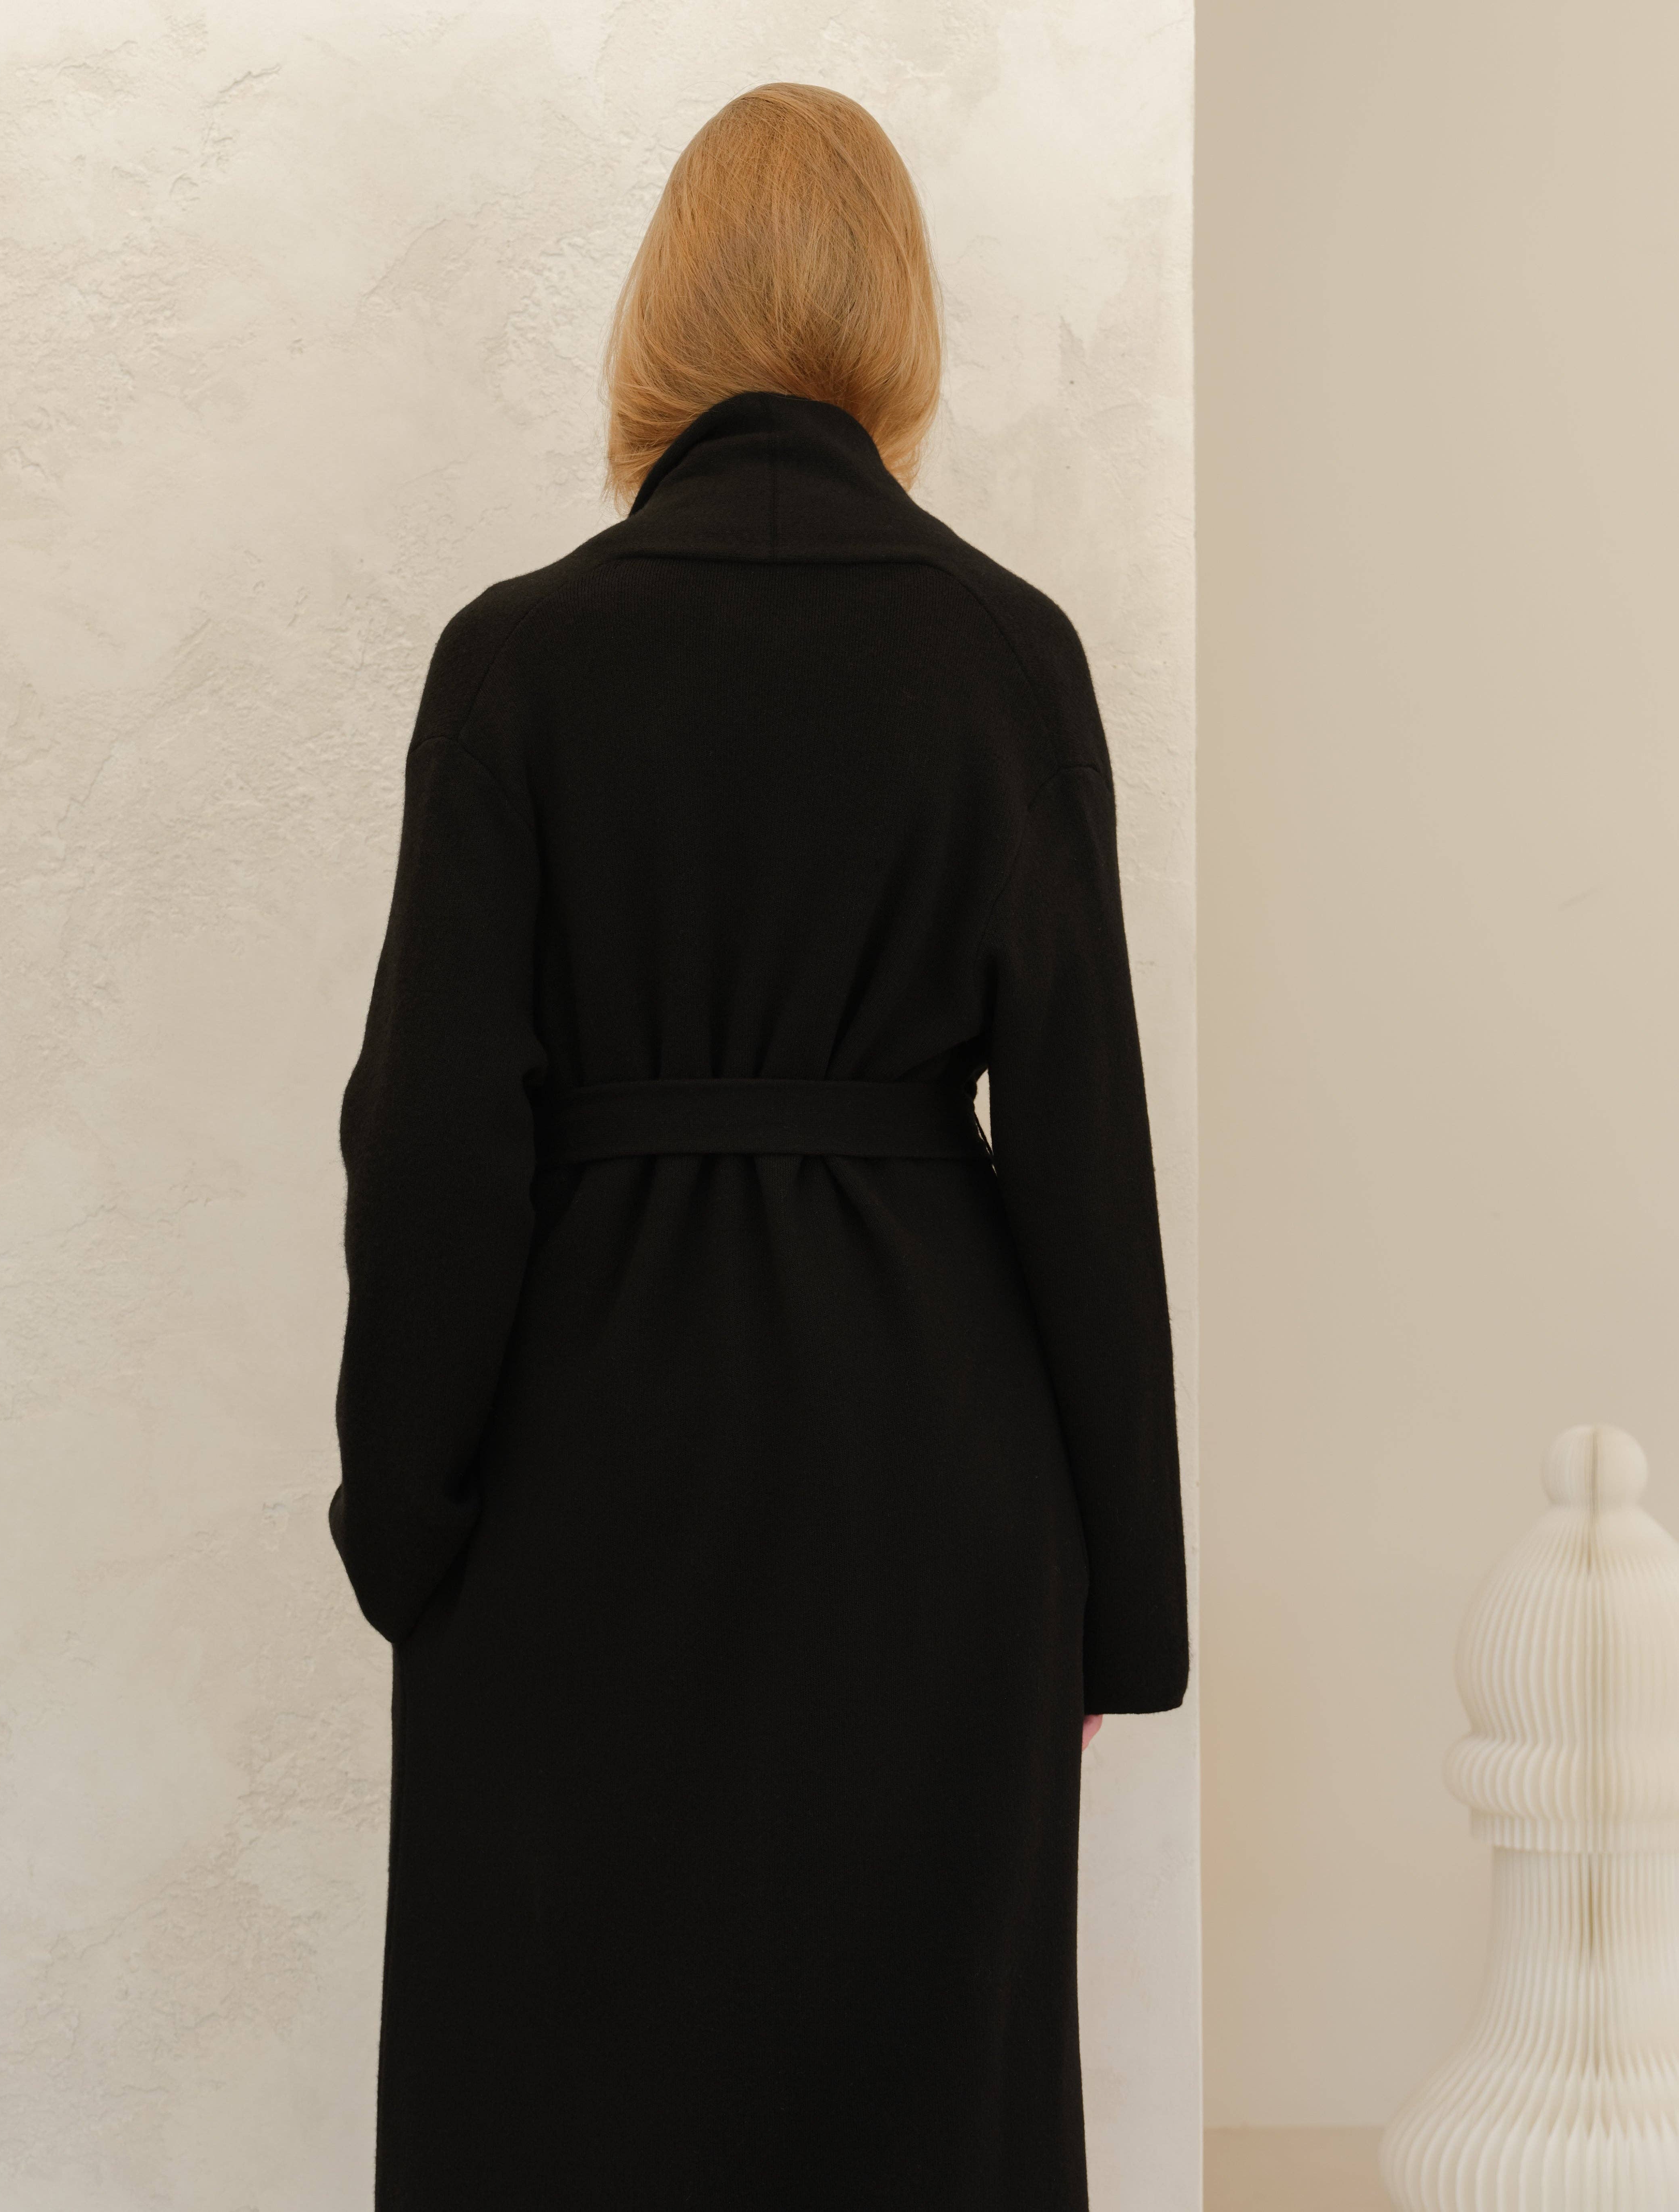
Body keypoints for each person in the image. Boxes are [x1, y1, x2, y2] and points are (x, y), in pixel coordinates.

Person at [328, 79, 1188, 2212]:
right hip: (939, 1485)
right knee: (919, 2108)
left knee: (565, 2103)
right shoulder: (1007, 657)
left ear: (661, 313)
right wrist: (1120, 1611)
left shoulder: (518, 663)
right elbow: (1084, 1149)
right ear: (899, 317)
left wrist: (404, 1524)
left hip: (581, 1476)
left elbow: (431, 1144)